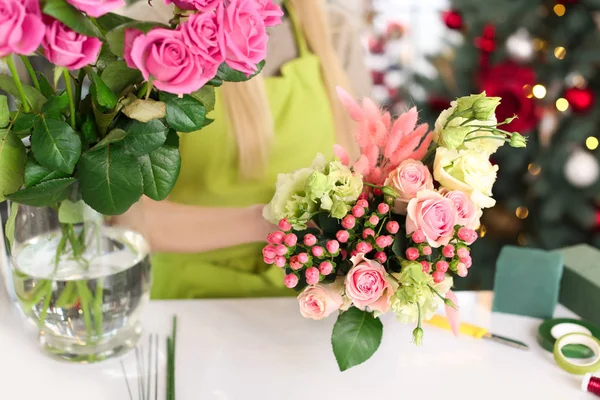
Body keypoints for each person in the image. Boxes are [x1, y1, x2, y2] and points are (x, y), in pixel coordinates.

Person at [119, 0, 371, 299]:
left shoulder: (335, 32)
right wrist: (268, 223)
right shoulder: (154, 37)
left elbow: (366, 177)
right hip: (192, 299)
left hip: (316, 297)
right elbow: (132, 220)